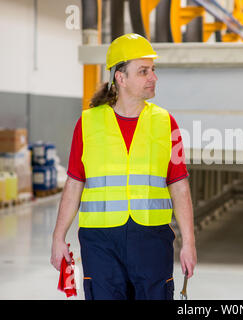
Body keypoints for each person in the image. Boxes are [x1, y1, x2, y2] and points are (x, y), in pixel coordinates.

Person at [50, 33, 197, 300]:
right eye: (143, 71)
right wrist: (58, 238)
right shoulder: (88, 124)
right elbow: (74, 184)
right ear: (120, 77)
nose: (153, 77)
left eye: (153, 70)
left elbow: (179, 185)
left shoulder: (166, 123)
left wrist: (189, 243)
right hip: (100, 243)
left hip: (151, 240)